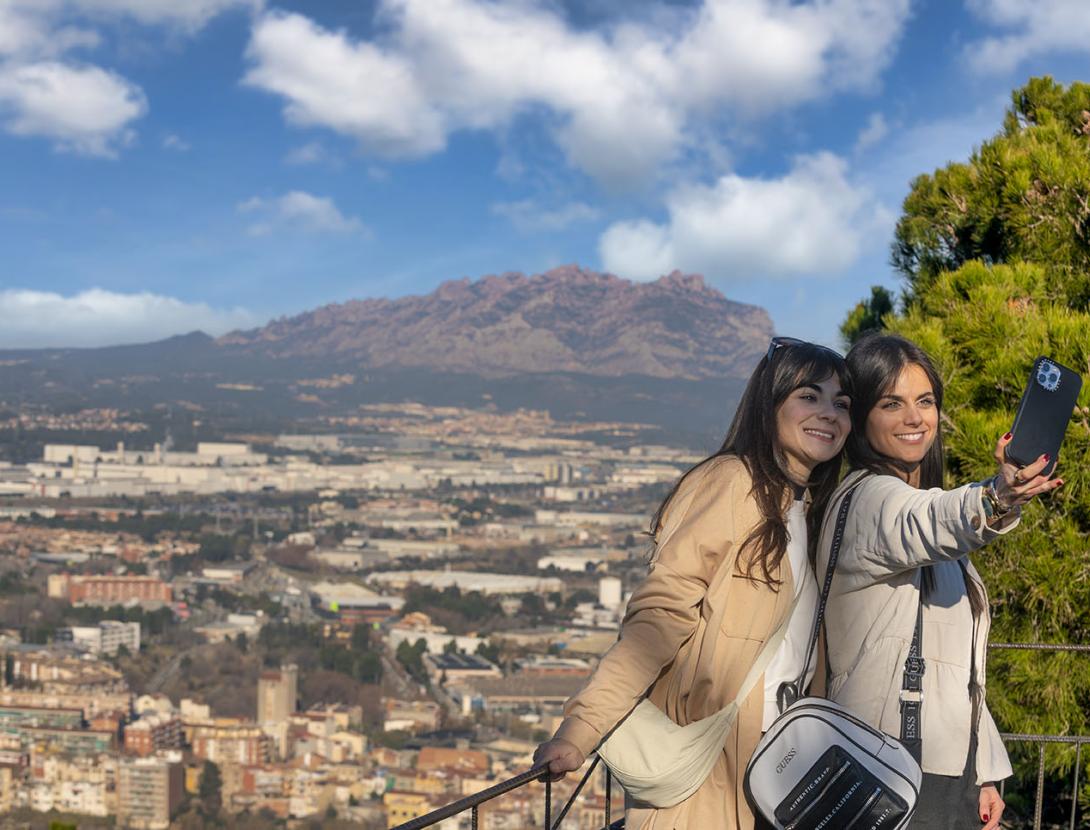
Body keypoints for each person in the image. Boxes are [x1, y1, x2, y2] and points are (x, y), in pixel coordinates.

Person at [533, 337, 852, 829]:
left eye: (842, 404)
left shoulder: (807, 509)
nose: (829, 413)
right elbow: (659, 616)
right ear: (770, 405)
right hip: (710, 776)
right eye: (809, 396)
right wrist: (581, 729)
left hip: (779, 775)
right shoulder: (731, 483)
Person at [817, 334, 1061, 830]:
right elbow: (931, 519)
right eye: (892, 403)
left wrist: (984, 772)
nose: (915, 418)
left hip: (941, 770)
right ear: (861, 416)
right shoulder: (869, 500)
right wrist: (997, 496)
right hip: (887, 764)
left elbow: (955, 667)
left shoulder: (919, 506)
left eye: (925, 401)